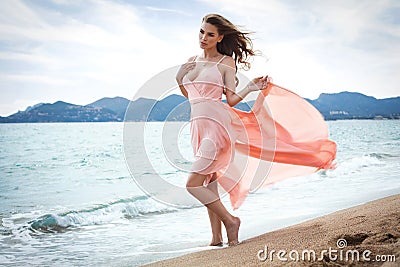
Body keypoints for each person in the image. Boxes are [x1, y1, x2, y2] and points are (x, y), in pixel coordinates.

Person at [175, 14, 336, 247]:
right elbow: (191, 95)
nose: (204, 37)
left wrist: (250, 87)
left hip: (217, 128)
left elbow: (230, 99)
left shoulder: (225, 62)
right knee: (208, 180)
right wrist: (180, 77)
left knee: (193, 184)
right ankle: (216, 237)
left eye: (210, 34)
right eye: (202, 32)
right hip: (197, 127)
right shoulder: (192, 60)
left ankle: (231, 221)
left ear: (220, 37)